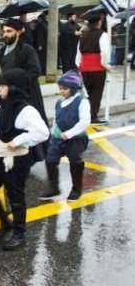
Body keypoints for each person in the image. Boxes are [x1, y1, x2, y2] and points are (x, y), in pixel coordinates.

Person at [0, 68, 49, 250]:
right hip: (0, 156)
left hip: (17, 160)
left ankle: (19, 234)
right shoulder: (2, 107)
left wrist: (18, 140)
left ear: (14, 88)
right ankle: (5, 221)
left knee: (15, 196)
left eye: (3, 86)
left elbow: (43, 132)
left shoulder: (27, 111)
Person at [0, 18, 48, 162]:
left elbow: (35, 71)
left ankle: (25, 158)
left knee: (22, 127)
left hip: (22, 97)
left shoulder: (27, 50)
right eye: (4, 31)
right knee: (0, 127)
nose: (6, 34)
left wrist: (15, 86)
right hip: (2, 96)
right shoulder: (1, 52)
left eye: (9, 31)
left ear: (18, 32)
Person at [39, 70, 90, 202]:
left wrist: (69, 133)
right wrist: (53, 131)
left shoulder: (82, 102)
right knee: (50, 160)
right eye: (60, 88)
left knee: (75, 162)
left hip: (76, 139)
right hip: (59, 137)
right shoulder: (59, 102)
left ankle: (76, 189)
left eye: (65, 89)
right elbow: (56, 118)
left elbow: (84, 121)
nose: (62, 91)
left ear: (73, 88)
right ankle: (54, 187)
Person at [76, 14, 111, 124]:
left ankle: (85, 115)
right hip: (98, 68)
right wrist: (106, 65)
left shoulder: (82, 36)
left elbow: (78, 55)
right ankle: (92, 116)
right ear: (98, 23)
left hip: (85, 69)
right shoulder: (103, 35)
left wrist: (80, 67)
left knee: (87, 93)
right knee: (96, 93)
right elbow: (104, 52)